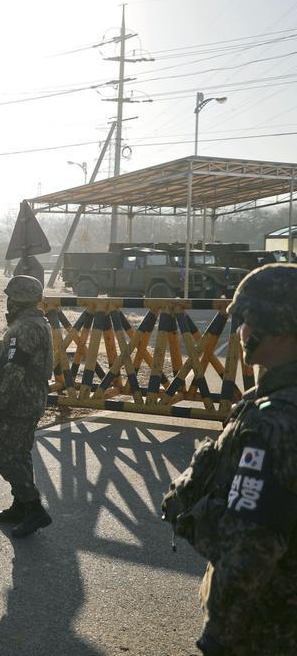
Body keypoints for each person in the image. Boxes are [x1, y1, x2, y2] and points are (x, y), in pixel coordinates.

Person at [161, 264, 297, 656]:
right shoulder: (269, 401)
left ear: (278, 329)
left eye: (248, 321)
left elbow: (253, 544)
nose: (241, 332)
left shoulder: (274, 421)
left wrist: (220, 633)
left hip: (267, 626)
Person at [0, 274, 54, 538]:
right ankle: (21, 506)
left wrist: (1, 403)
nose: (8, 302)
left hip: (20, 402)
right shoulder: (37, 322)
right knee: (21, 455)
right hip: (30, 399)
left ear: (19, 299)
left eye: (11, 298)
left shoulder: (26, 327)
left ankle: (34, 509)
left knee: (7, 459)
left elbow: (15, 369)